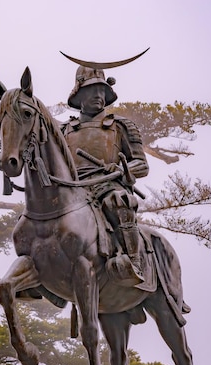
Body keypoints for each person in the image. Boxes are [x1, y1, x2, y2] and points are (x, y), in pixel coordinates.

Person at [62, 65, 149, 287]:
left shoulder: (121, 126)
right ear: (79, 95)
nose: (99, 96)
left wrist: (121, 170)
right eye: (92, 91)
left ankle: (132, 262)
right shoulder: (64, 131)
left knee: (120, 202)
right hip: (73, 189)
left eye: (102, 91)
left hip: (107, 187)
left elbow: (141, 164)